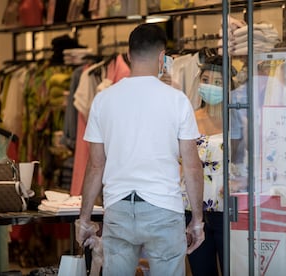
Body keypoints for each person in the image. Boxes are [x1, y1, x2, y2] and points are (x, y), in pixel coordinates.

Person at [76, 23, 205, 275]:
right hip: (163, 208)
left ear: (128, 54)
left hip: (119, 208)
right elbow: (191, 165)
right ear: (162, 57)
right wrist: (197, 221)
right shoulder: (177, 100)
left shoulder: (103, 100)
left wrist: (84, 218)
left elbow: (95, 166)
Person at [182, 55, 246, 276]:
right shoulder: (188, 118)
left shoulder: (237, 120)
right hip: (192, 211)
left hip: (227, 210)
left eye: (218, 83)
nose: (210, 86)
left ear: (229, 86)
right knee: (201, 271)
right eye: (206, 79)